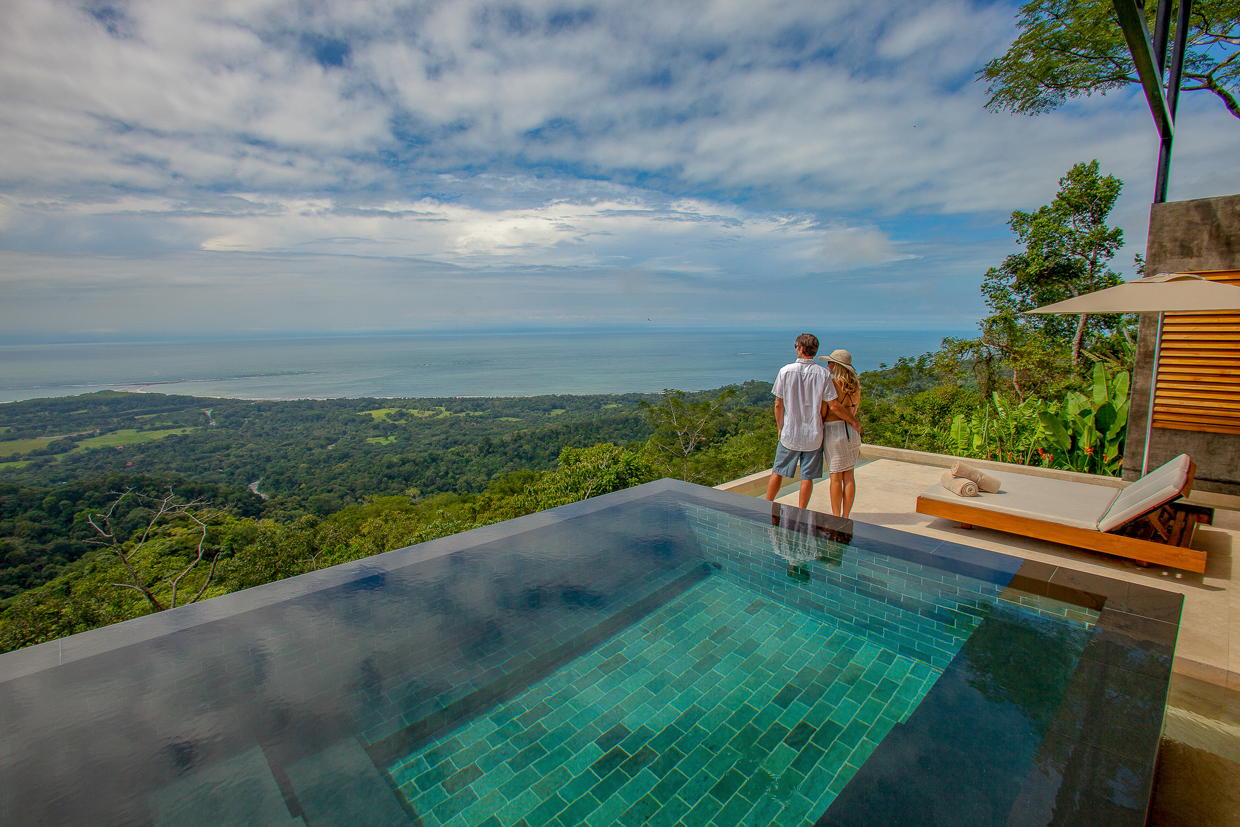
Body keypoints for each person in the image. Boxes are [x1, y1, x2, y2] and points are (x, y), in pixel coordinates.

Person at [765, 334, 862, 509]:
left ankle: (765, 505)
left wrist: (780, 427)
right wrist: (853, 422)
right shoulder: (823, 374)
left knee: (778, 472)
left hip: (790, 432)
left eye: (795, 345)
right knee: (806, 477)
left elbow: (779, 405)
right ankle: (802, 511)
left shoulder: (785, 371)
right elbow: (831, 404)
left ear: (800, 348)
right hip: (814, 434)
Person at [820, 348, 862, 518]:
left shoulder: (832, 385)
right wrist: (853, 422)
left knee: (836, 478)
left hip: (835, 431)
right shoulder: (856, 388)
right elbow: (854, 411)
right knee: (849, 477)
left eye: (830, 362)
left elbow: (829, 409)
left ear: (837, 366)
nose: (828, 365)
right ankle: (845, 515)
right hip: (852, 432)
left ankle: (836, 516)